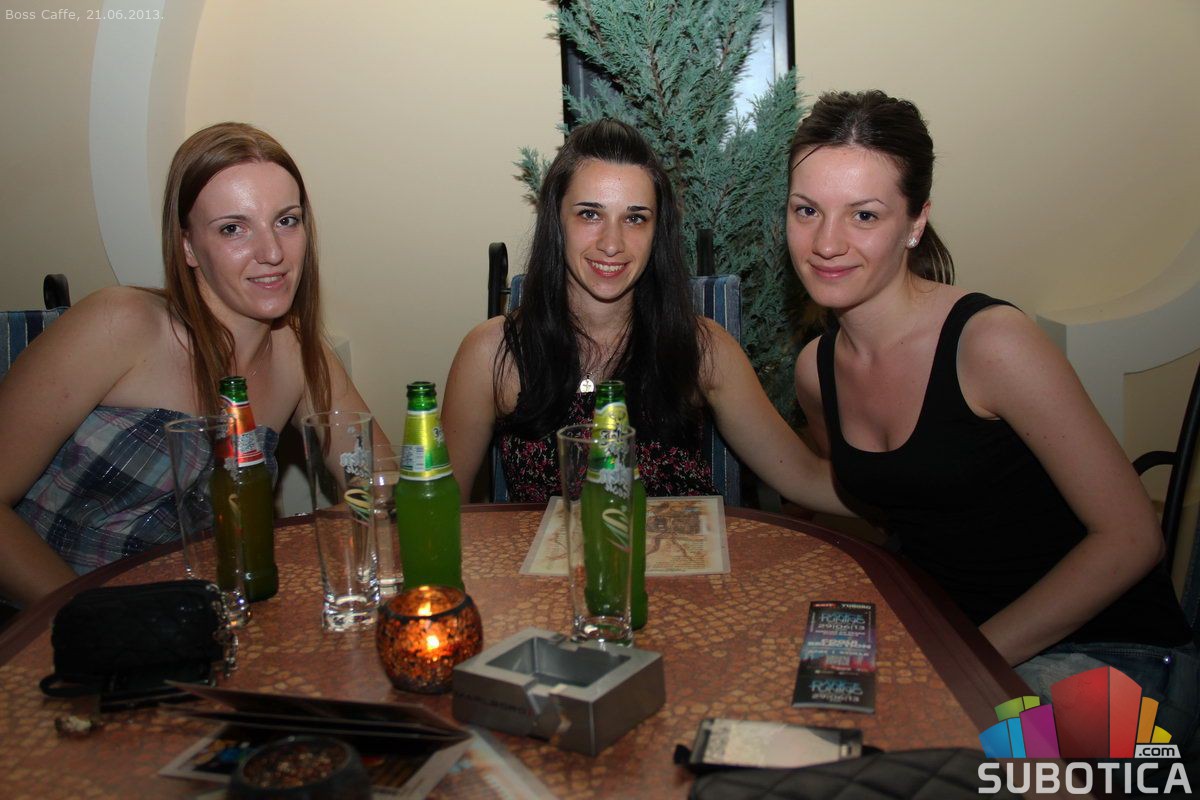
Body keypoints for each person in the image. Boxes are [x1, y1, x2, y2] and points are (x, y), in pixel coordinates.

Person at [789, 90, 1196, 749]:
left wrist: (959, 661)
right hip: (958, 642)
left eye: (864, 215)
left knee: (933, 775)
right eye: (806, 210)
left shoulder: (991, 343)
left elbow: (1131, 538)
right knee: (803, 739)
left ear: (916, 222)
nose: (827, 242)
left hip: (1115, 658)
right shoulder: (817, 370)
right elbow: (877, 495)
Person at [0, 122, 374, 607]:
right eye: (233, 228)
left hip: (196, 616)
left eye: (287, 221)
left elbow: (375, 485)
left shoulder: (301, 354)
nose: (273, 253)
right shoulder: (119, 322)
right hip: (50, 619)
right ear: (187, 246)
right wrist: (91, 618)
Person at [443, 118, 846, 515]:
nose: (612, 243)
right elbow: (441, 509)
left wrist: (892, 499)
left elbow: (805, 478)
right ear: (556, 221)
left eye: (635, 218)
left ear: (657, 232)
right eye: (590, 214)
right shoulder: (492, 354)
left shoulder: (703, 348)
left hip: (683, 559)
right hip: (549, 562)